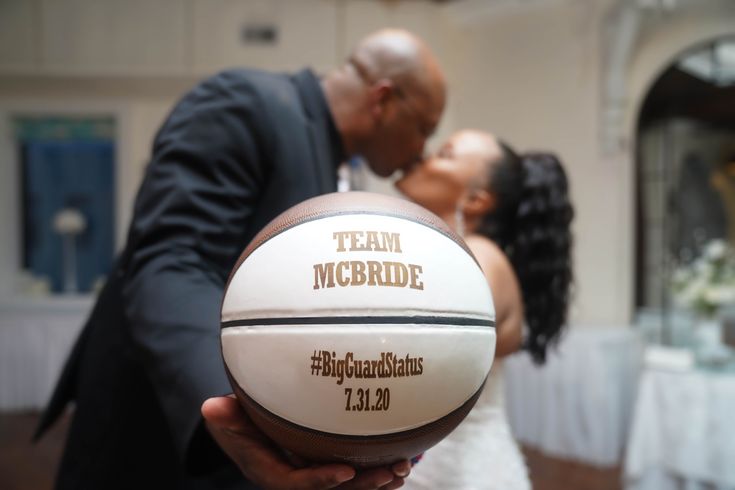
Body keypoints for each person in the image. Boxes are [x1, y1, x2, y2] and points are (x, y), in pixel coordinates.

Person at [34, 29, 446, 490]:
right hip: (155, 418)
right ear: (383, 100)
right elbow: (173, 257)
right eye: (424, 129)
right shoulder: (246, 102)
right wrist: (239, 410)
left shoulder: (332, 160)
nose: (420, 151)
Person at [395, 129, 574, 489]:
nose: (424, 157)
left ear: (476, 200)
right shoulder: (454, 253)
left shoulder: (479, 259)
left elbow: (413, 358)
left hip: (458, 473)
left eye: (444, 153)